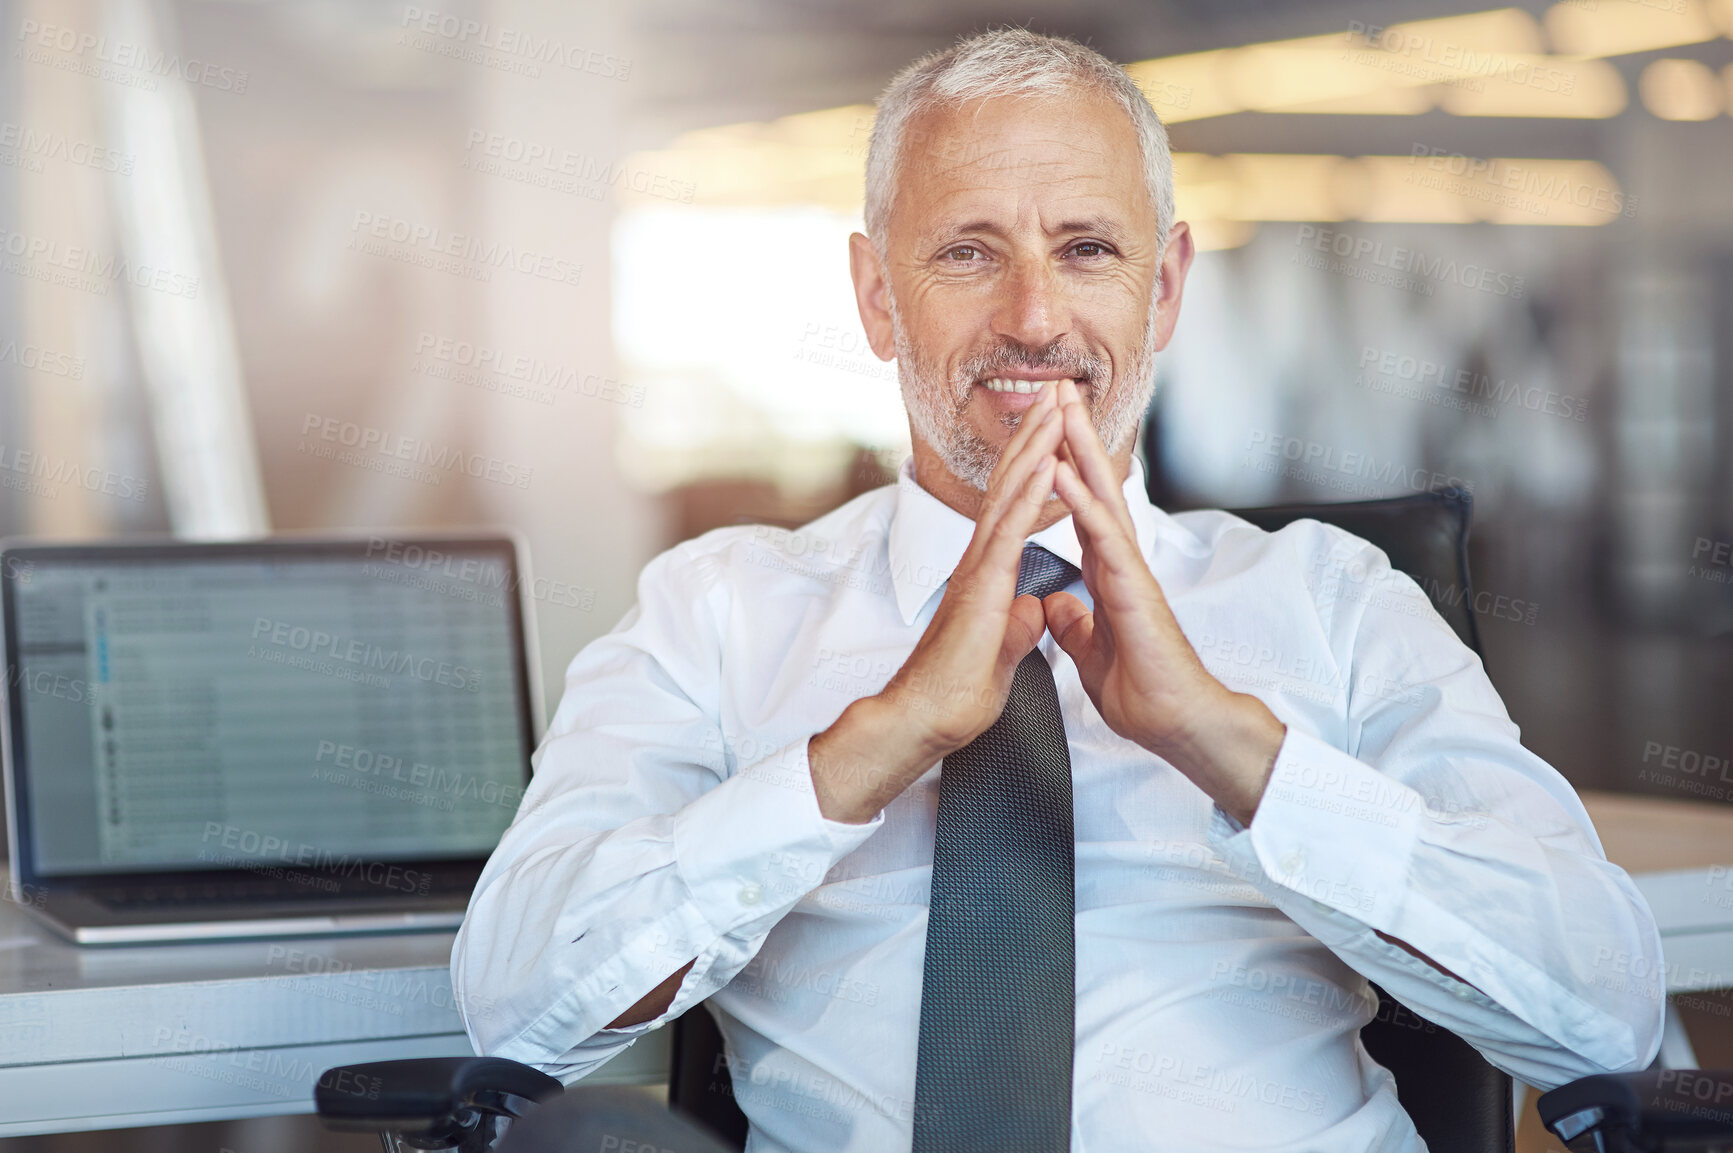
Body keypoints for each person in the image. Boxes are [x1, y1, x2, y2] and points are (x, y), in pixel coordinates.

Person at [452, 27, 1664, 1152]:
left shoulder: (1333, 599)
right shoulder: (714, 612)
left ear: (1164, 287)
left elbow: (1603, 1011)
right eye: (968, 252)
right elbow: (512, 1007)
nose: (1032, 319)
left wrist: (1228, 743)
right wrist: (871, 746)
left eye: (1086, 249)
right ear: (878, 297)